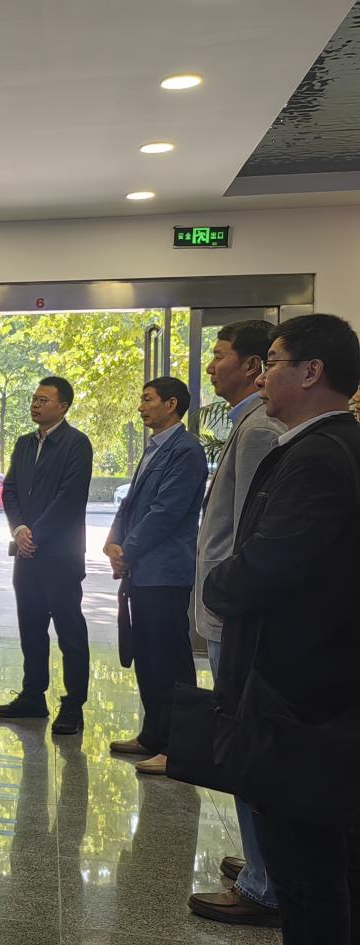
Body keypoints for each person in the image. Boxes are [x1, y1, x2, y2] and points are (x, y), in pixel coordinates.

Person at [204, 314, 360, 945]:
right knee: (322, 866)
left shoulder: (317, 456)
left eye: (271, 362)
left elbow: (269, 563)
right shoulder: (332, 444)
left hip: (296, 697)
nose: (262, 375)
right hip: (317, 687)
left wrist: (216, 584)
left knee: (305, 874)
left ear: (311, 371)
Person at [186, 321, 283, 926]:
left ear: (251, 366)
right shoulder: (245, 424)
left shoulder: (259, 431)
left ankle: (264, 884)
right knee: (241, 739)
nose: (210, 366)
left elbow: (253, 533)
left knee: (245, 743)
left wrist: (222, 595)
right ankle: (260, 863)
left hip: (233, 615)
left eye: (219, 355)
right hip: (224, 609)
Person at [104, 376, 207, 775]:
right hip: (143, 570)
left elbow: (166, 512)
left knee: (170, 659)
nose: (141, 407)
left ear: (172, 403)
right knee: (147, 656)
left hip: (165, 571)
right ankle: (153, 735)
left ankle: (178, 747)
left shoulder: (186, 450)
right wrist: (113, 542)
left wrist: (127, 551)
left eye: (148, 399)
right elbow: (131, 504)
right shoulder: (155, 447)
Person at [0, 376, 94, 735]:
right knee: (31, 628)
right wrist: (19, 529)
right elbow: (9, 490)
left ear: (62, 406)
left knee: (70, 632)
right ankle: (33, 696)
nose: (35, 405)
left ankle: (73, 705)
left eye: (43, 400)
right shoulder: (24, 443)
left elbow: (69, 498)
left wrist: (33, 534)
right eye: (33, 399)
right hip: (26, 555)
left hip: (61, 557)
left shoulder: (77, 443)